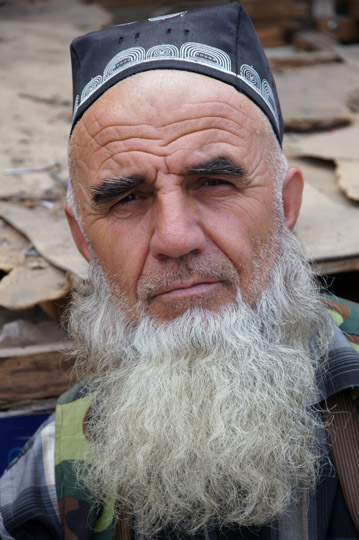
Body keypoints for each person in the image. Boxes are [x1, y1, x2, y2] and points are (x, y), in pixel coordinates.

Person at [1, 3, 359, 539]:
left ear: (285, 208)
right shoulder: (60, 473)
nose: (175, 238)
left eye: (214, 182)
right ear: (83, 240)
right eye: (127, 198)